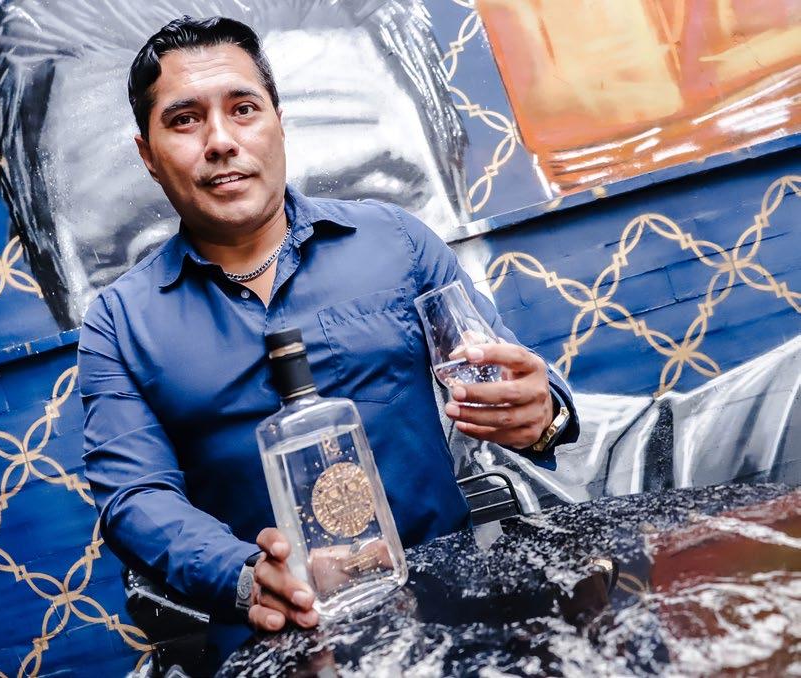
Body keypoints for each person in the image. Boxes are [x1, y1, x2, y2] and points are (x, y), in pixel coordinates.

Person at [78, 14, 579, 654]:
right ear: (148, 155)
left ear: (278, 122)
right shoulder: (119, 323)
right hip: (283, 641)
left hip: (454, 613)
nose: (221, 140)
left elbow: (499, 368)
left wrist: (541, 415)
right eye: (184, 120)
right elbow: (134, 496)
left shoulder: (398, 243)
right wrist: (243, 574)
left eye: (243, 109)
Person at [0, 0, 470, 328]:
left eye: (369, 195)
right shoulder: (117, 334)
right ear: (63, 290)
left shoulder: (409, 243)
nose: (222, 142)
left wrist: (522, 414)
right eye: (184, 119)